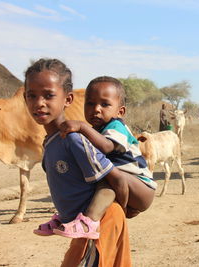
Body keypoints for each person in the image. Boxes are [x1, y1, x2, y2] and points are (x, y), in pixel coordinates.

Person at [28, 64, 156, 240]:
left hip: (141, 185)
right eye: (90, 103)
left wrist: (80, 126)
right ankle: (65, 219)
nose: (96, 109)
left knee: (106, 181)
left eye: (105, 104)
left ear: (120, 111)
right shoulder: (85, 133)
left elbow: (107, 148)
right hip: (124, 185)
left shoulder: (116, 127)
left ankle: (88, 221)